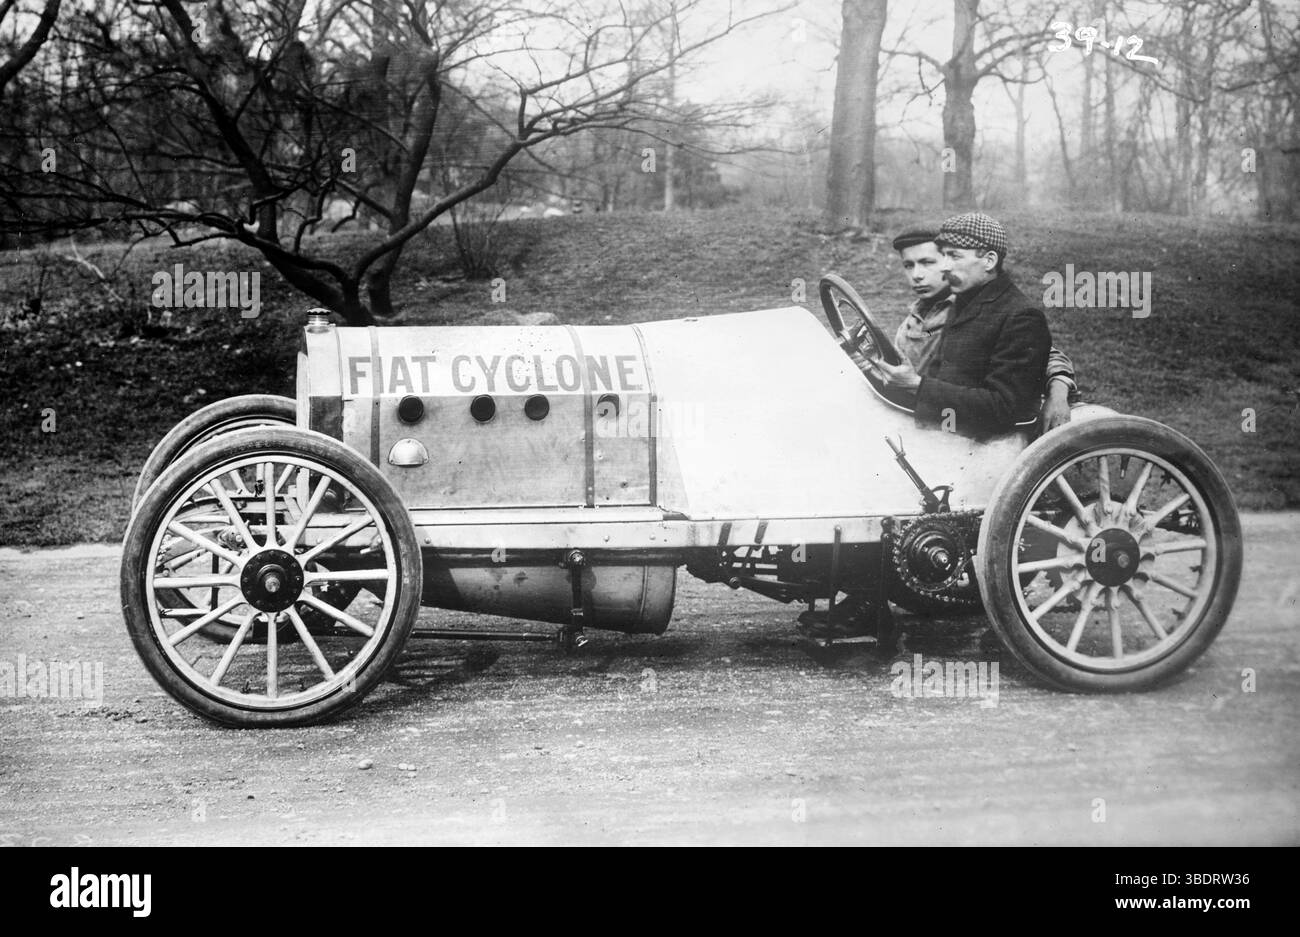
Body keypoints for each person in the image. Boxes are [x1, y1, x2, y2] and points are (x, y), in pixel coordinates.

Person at [799, 213, 1057, 640]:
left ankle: (865, 599)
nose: (944, 267)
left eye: (952, 257)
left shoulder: (1017, 315)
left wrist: (918, 387)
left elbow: (1004, 407)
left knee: (864, 472)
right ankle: (844, 582)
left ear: (989, 260)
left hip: (985, 445)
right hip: (949, 433)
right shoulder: (963, 306)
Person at [887, 227, 1079, 433]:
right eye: (908, 265)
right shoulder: (912, 320)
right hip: (928, 419)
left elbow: (1047, 356)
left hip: (967, 430)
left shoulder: (980, 310)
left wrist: (1058, 393)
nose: (917, 275)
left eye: (927, 262)